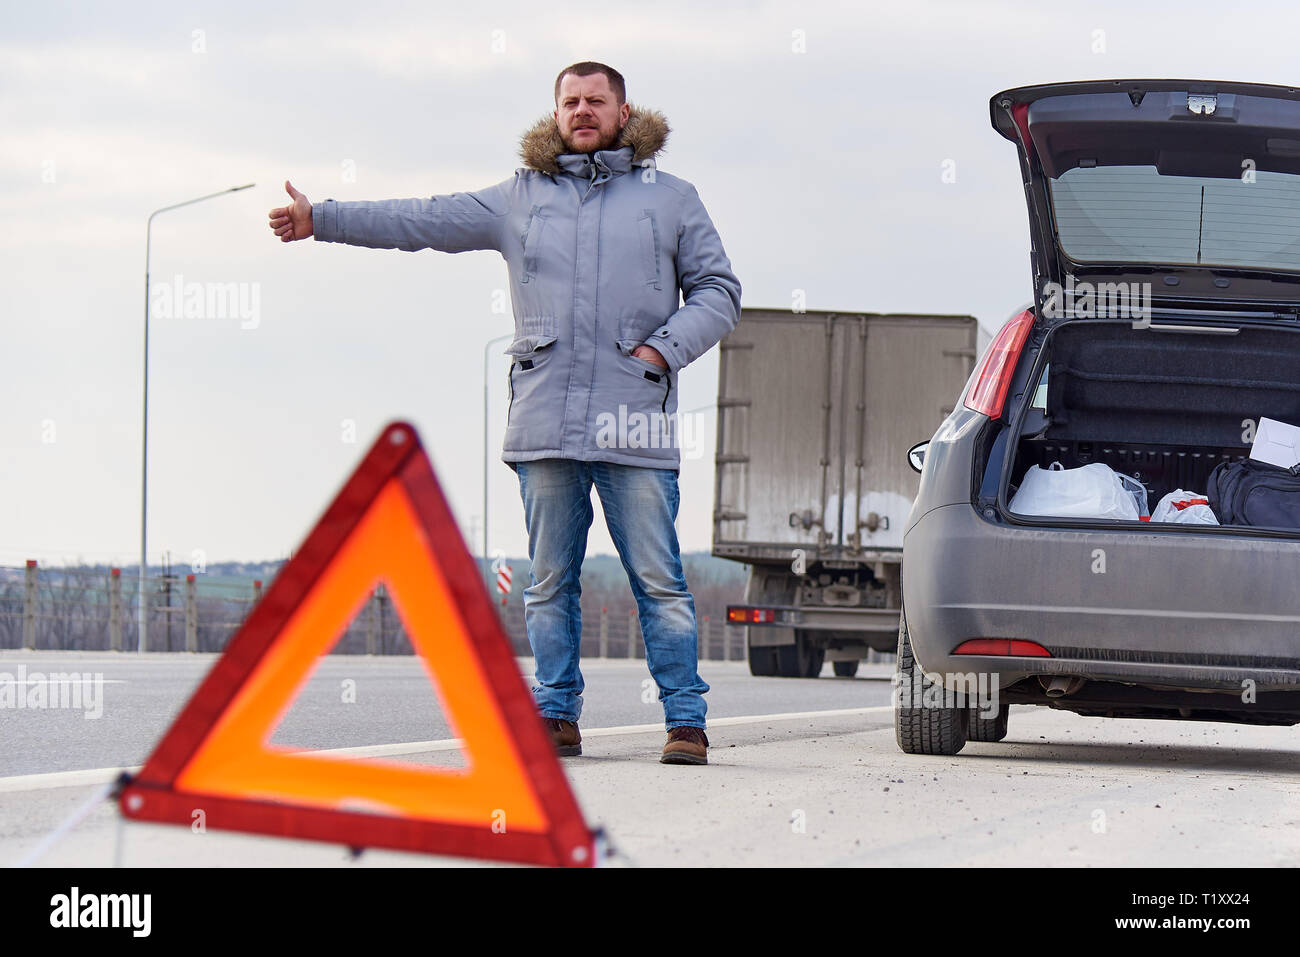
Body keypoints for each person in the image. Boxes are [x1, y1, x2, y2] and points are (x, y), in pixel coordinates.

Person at [268, 61, 741, 765]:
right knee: (550, 581)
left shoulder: (671, 198)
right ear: (556, 114)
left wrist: (661, 352)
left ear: (622, 109)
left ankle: (685, 721)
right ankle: (555, 714)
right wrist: (322, 219)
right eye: (571, 102)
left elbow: (719, 290)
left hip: (634, 419)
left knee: (661, 579)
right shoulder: (521, 197)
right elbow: (421, 218)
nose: (583, 111)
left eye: (596, 101)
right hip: (546, 419)